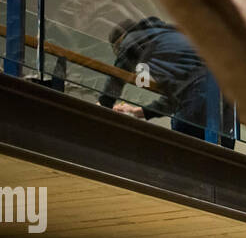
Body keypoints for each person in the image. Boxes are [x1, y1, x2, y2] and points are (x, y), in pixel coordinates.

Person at [99, 16, 234, 147]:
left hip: (198, 100)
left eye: (117, 50)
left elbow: (117, 77)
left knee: (183, 154)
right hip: (226, 101)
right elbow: (177, 97)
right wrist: (138, 112)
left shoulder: (132, 38)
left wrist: (103, 105)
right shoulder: (169, 36)